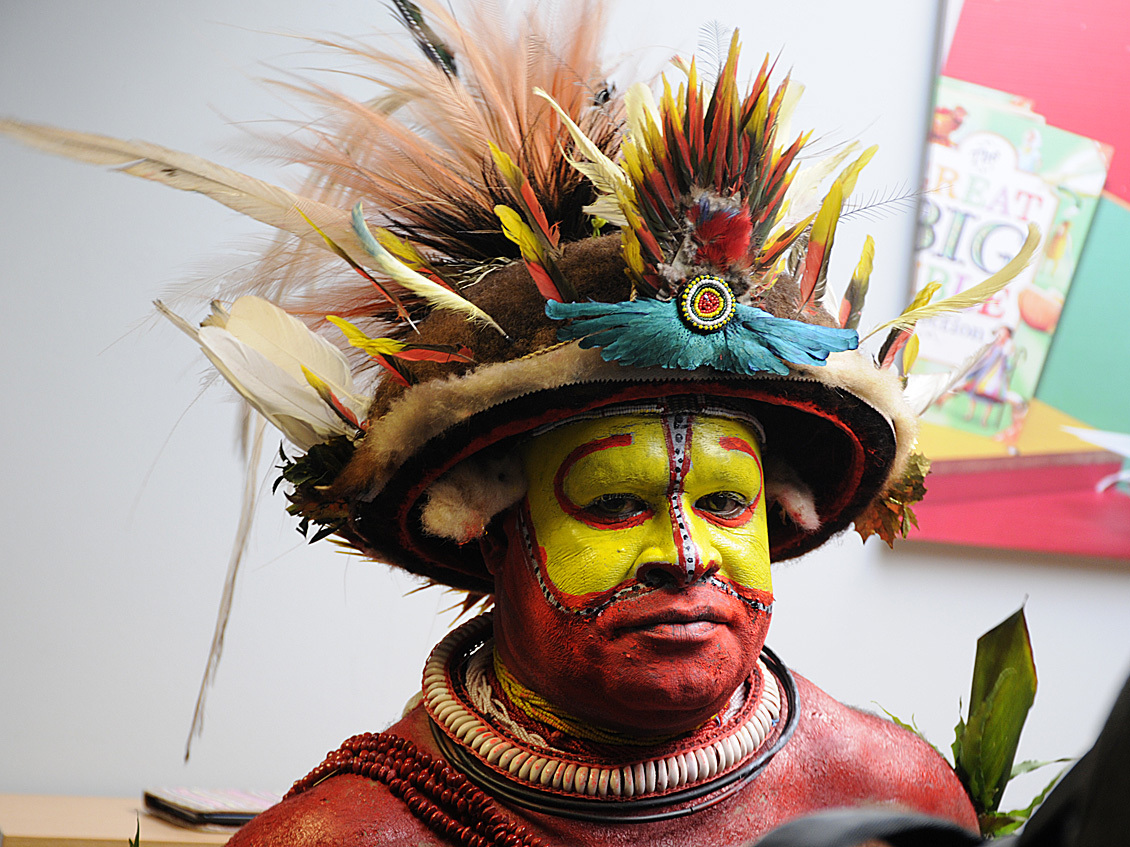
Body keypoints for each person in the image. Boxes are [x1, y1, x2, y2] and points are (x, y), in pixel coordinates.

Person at [5, 2, 1035, 843]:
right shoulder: (355, 836)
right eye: (615, 499)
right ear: (488, 525)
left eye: (724, 499)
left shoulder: (893, 801)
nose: (686, 555)